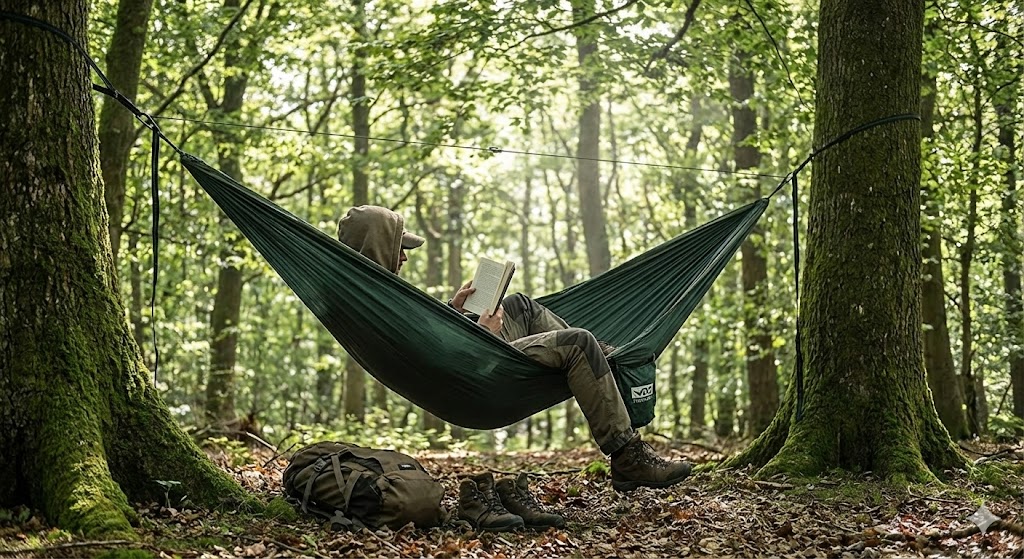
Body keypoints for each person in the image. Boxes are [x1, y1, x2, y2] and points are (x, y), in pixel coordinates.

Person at [337, 205, 692, 530]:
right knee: (578, 343)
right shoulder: (378, 300)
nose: (404, 257)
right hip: (476, 372)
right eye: (399, 247)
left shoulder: (378, 293)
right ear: (378, 246)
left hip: (470, 354)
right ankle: (626, 454)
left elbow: (426, 342)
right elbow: (433, 359)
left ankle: (606, 360)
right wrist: (482, 334)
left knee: (519, 305)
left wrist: (454, 310)